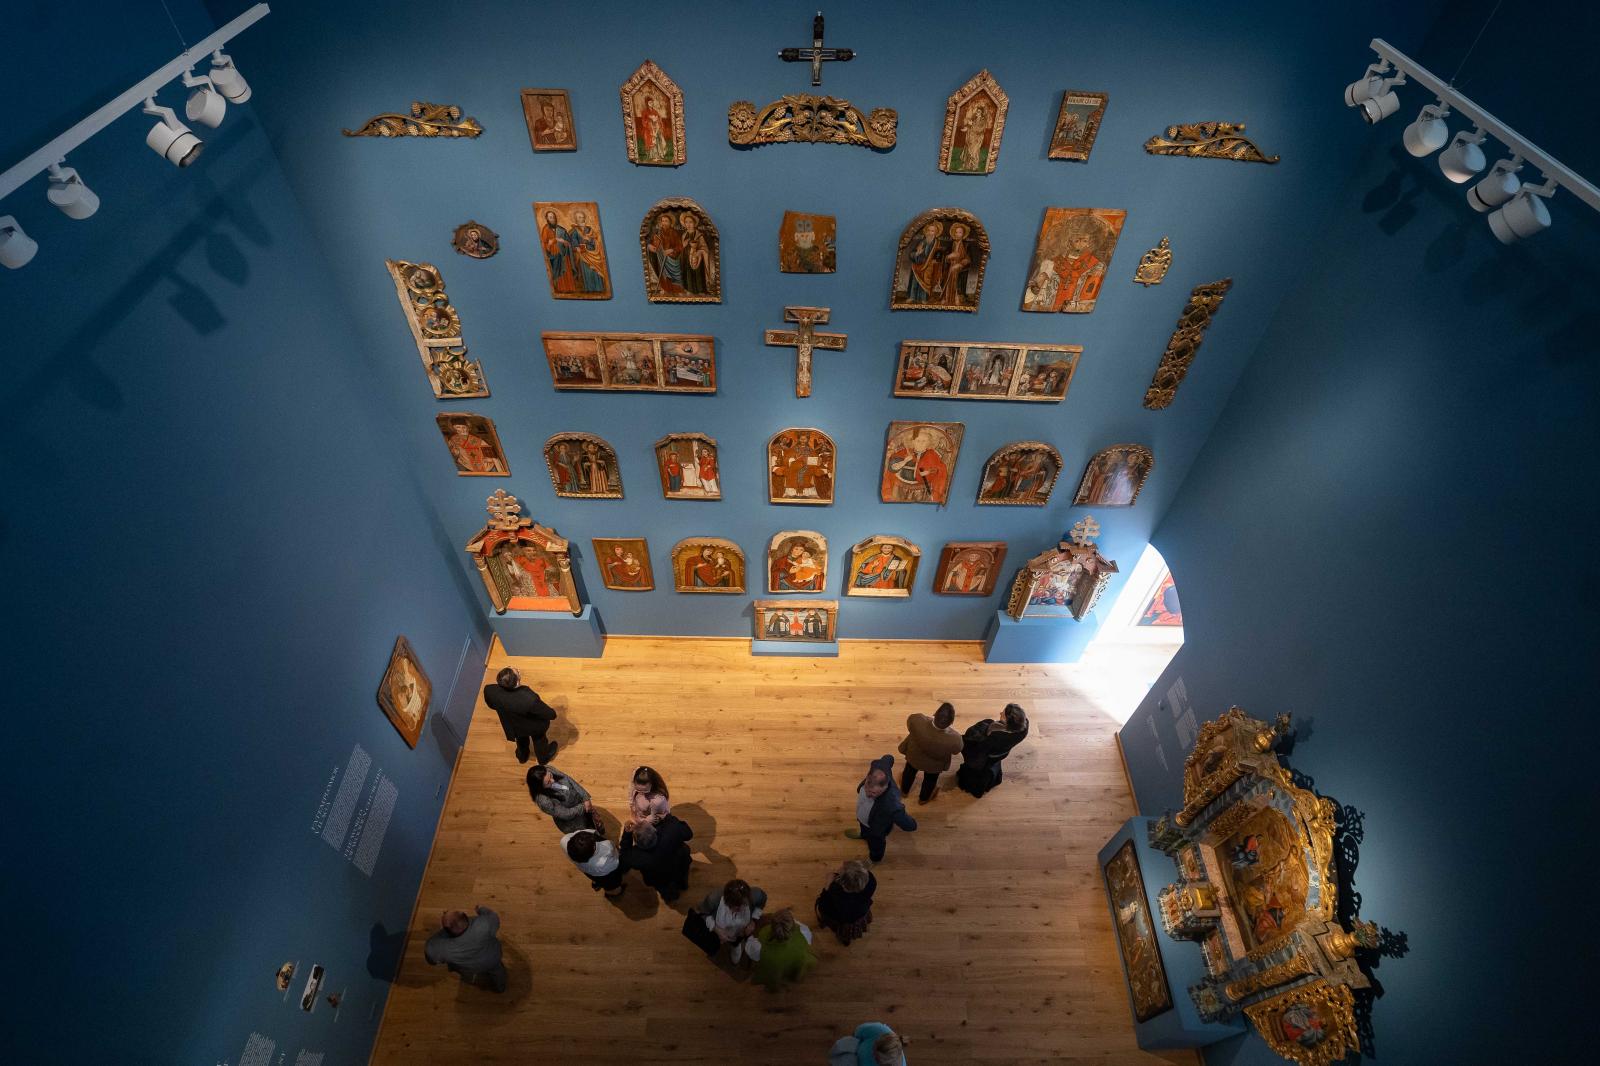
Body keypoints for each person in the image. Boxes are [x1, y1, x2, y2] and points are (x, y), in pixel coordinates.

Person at [844, 755, 917, 863]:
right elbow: (888, 758)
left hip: (876, 829)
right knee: (864, 828)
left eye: (873, 793)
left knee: (876, 844)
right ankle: (863, 835)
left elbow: (909, 825)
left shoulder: (891, 805)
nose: (868, 794)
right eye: (866, 787)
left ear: (885, 787)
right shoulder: (878, 767)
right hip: (865, 820)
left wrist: (912, 824)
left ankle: (875, 858)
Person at [482, 667, 557, 764]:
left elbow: (491, 705)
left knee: (521, 740)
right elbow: (551, 715)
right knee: (539, 739)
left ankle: (522, 757)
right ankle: (543, 758)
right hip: (534, 726)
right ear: (517, 682)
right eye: (517, 671)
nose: (518, 670)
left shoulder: (489, 690)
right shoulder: (529, 699)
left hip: (514, 726)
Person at [423, 906, 507, 992]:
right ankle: (500, 987)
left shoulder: (441, 948)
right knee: (497, 972)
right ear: (465, 917)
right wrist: (480, 909)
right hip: (492, 959)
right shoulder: (484, 923)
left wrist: (443, 932)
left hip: (468, 968)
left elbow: (431, 959)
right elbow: (493, 917)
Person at [956, 704, 1031, 797]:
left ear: (1007, 723)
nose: (1000, 713)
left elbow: (980, 750)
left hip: (985, 756)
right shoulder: (1023, 729)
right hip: (999, 754)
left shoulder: (994, 735)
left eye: (1003, 715)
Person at [898, 703, 963, 803]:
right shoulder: (955, 739)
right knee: (930, 780)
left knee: (909, 772)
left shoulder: (917, 720)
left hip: (914, 757)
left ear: (935, 713)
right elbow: (957, 750)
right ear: (951, 722)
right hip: (934, 765)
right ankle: (923, 799)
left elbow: (909, 723)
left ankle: (904, 791)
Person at [620, 813, 694, 901]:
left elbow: (625, 856)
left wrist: (627, 834)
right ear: (655, 830)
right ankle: (683, 886)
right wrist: (669, 818)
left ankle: (672, 897)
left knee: (666, 890)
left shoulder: (637, 857)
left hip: (659, 879)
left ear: (637, 842)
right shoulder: (671, 831)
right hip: (679, 865)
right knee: (682, 877)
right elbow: (688, 834)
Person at [696, 878, 767, 963]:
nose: (741, 909)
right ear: (727, 901)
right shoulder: (713, 899)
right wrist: (716, 929)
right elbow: (702, 913)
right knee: (713, 944)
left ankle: (736, 945)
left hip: (739, 932)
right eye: (736, 907)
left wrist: (753, 920)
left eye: (744, 904)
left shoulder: (754, 895)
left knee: (737, 940)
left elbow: (762, 898)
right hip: (718, 931)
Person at [746, 908, 817, 991]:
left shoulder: (758, 947)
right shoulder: (804, 932)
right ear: (792, 926)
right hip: (794, 965)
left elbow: (750, 951)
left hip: (774, 971)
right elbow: (803, 930)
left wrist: (748, 935)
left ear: (771, 926)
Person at [815, 859, 876, 945]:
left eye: (842, 868)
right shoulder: (871, 880)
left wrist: (827, 885)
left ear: (842, 883)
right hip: (861, 912)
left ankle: (845, 939)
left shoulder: (836, 891)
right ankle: (846, 939)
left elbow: (823, 905)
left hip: (845, 920)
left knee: (845, 932)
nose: (842, 864)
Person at [527, 764, 593, 832]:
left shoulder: (548, 769)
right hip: (574, 821)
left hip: (581, 804)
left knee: (592, 821)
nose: (553, 781)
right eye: (548, 782)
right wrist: (584, 806)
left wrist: (585, 797)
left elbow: (568, 779)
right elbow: (566, 814)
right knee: (587, 832)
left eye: (550, 776)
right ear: (540, 788)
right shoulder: (544, 802)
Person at [561, 828, 625, 897]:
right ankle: (612, 893)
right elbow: (616, 862)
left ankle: (596, 883)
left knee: (595, 878)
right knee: (611, 886)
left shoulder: (564, 841)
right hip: (605, 875)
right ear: (593, 848)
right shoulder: (606, 855)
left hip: (586, 870)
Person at [828, 1022, 908, 1066]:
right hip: (854, 1049)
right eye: (874, 1046)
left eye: (877, 1058)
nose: (872, 1054)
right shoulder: (880, 1030)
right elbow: (857, 1032)